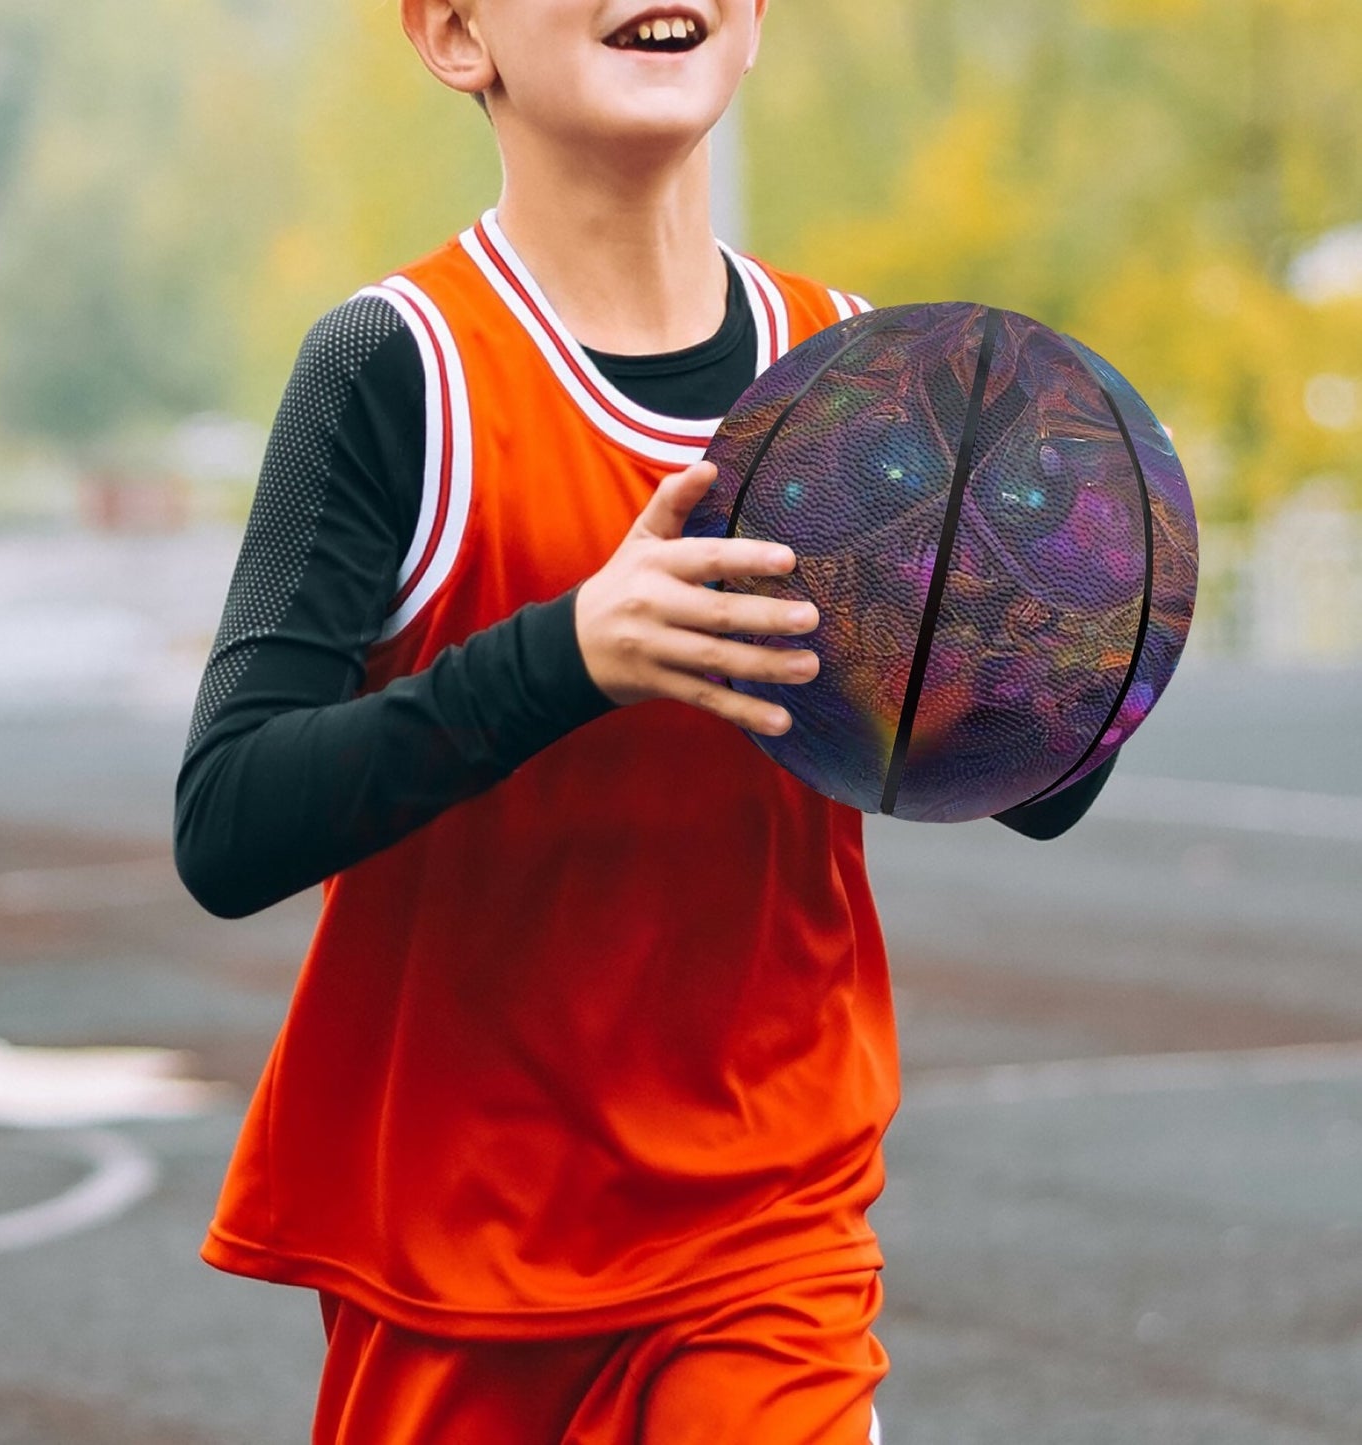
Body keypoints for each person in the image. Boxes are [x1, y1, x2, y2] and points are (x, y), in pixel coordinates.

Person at [174, 2, 1116, 1439]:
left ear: (748, 26)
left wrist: (1072, 628)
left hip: (766, 1224)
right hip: (457, 1243)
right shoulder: (396, 367)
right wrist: (568, 653)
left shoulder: (862, 380)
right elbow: (228, 821)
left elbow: (1035, 785)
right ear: (450, 35)